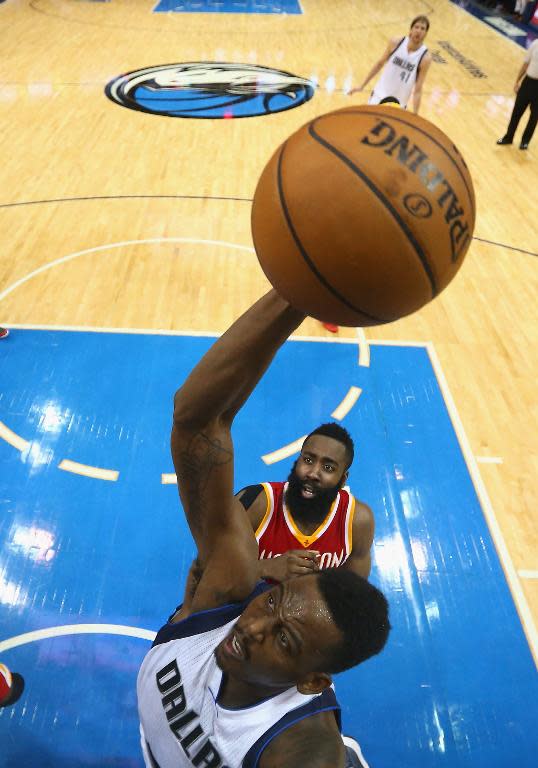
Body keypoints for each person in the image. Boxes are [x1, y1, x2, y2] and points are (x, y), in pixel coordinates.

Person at [137, 290, 390, 768]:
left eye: (284, 640)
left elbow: (354, 585)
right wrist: (299, 289)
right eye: (269, 604)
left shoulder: (302, 752)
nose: (252, 626)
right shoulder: (225, 591)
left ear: (314, 681)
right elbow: (199, 421)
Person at [236, 422, 375, 583]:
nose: (313, 473)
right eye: (308, 460)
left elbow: (355, 590)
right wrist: (264, 568)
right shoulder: (256, 503)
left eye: (328, 467)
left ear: (342, 480)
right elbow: (208, 570)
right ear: (297, 461)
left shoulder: (357, 521)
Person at [349, 15, 432, 114]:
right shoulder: (396, 42)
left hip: (399, 104)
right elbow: (379, 64)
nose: (419, 31)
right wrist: (361, 86)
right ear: (411, 29)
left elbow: (418, 88)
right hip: (379, 95)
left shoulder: (425, 58)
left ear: (426, 33)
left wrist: (415, 114)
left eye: (423, 29)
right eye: (416, 27)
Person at [497, 38, 538, 150]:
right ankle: (508, 138)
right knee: (516, 112)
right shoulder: (535, 43)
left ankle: (525, 142)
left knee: (534, 117)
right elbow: (526, 64)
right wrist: (517, 81)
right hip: (528, 83)